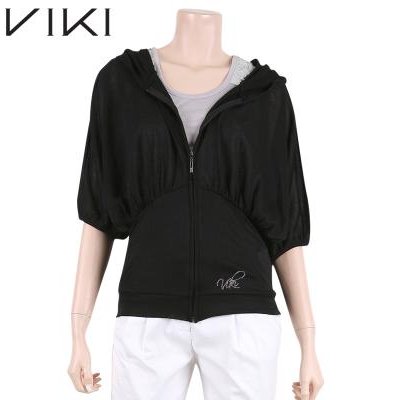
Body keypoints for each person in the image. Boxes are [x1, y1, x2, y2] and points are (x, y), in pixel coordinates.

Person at [68, 8, 324, 400]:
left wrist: (309, 343)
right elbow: (100, 211)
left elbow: (283, 225)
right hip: (147, 314)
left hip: (243, 315)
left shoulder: (266, 95)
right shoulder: (121, 83)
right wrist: (78, 330)